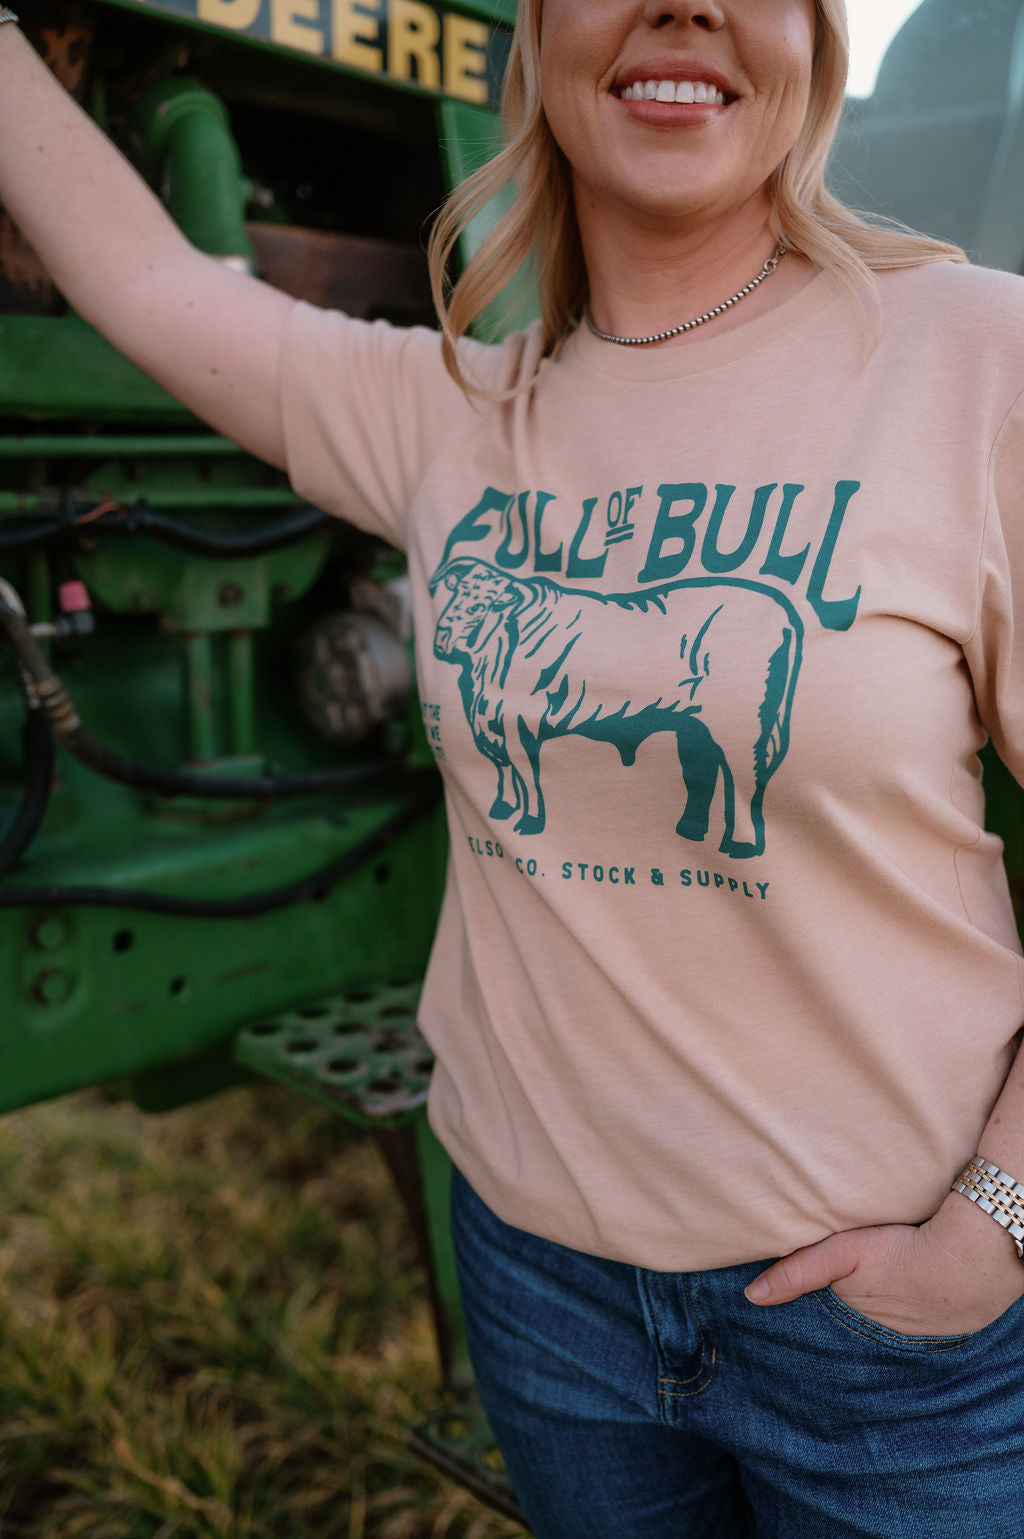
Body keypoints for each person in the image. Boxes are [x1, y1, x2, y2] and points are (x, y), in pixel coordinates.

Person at [3, 2, 1024, 1534]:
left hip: (888, 1339)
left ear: (810, 38)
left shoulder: (973, 357)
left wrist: (998, 1224)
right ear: (533, 38)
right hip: (549, 1295)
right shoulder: (456, 414)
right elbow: (146, 277)